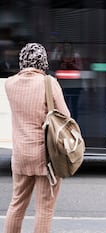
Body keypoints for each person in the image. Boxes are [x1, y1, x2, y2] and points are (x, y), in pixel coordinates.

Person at [3, 43, 70, 233]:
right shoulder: (49, 83)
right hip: (47, 157)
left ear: (22, 61)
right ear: (43, 61)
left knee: (17, 204)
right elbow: (65, 117)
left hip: (21, 155)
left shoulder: (10, 84)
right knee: (45, 209)